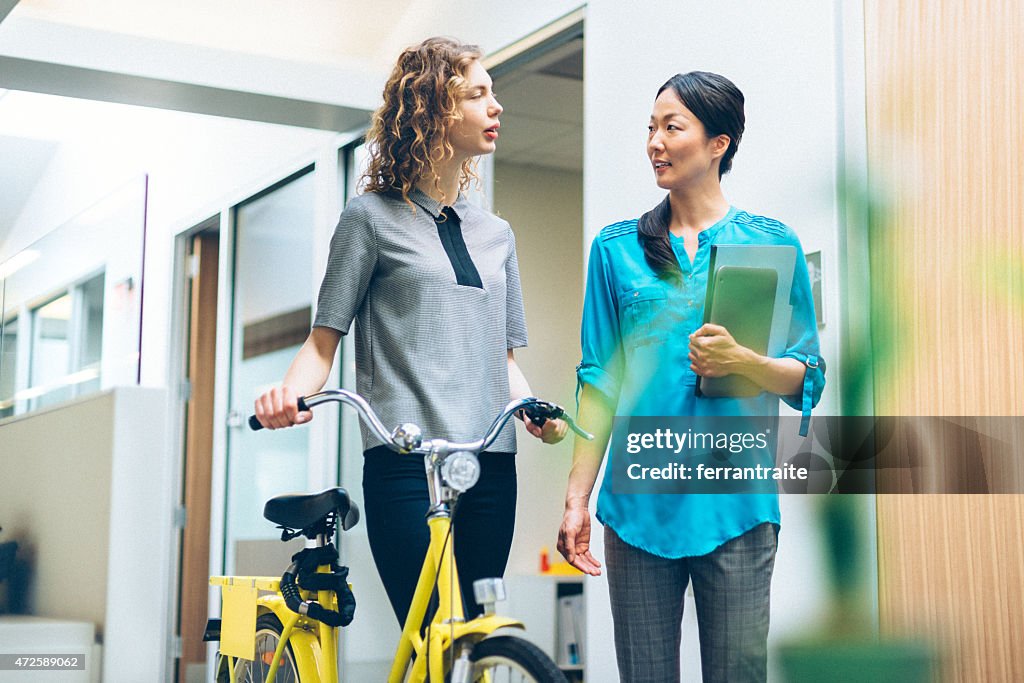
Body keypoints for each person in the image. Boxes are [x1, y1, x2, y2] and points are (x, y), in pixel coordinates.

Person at [254, 36, 567, 625]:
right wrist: (286, 397)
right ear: (433, 109)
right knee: (428, 636)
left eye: (493, 94)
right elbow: (323, 342)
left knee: (476, 633)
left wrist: (532, 409)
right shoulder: (368, 218)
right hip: (407, 461)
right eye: (478, 95)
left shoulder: (498, 233)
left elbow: (503, 359)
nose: (496, 107)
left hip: (490, 463)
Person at [557, 71, 825, 682]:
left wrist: (746, 364)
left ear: (718, 144)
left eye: (671, 127)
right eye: (650, 128)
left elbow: (807, 376)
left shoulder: (771, 244)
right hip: (637, 507)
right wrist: (577, 499)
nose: (655, 142)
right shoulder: (616, 249)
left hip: (737, 507)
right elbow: (598, 383)